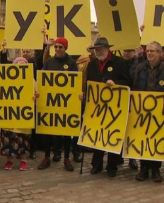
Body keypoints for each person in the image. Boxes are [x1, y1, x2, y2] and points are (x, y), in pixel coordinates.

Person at [85, 37, 131, 177]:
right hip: (97, 106)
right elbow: (89, 84)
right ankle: (96, 164)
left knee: (112, 135)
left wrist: (115, 83)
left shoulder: (119, 62)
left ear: (107, 49)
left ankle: (112, 166)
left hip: (114, 106)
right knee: (98, 135)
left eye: (100, 49)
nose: (98, 52)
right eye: (96, 49)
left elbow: (128, 82)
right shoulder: (92, 65)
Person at [133, 41, 164, 183]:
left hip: (160, 112)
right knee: (144, 138)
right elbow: (135, 87)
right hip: (143, 111)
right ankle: (144, 168)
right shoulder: (140, 68)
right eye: (148, 51)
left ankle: (156, 169)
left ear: (160, 53)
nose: (149, 53)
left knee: (157, 138)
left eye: (153, 51)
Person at [38, 37, 78, 172]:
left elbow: (76, 83)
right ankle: (47, 157)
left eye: (60, 47)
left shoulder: (72, 63)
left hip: (66, 103)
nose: (58, 49)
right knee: (48, 130)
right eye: (56, 47)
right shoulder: (49, 62)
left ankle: (66, 157)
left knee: (66, 132)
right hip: (51, 103)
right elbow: (43, 80)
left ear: (65, 48)